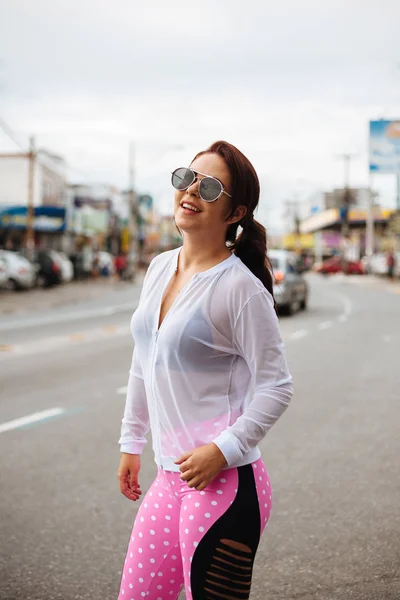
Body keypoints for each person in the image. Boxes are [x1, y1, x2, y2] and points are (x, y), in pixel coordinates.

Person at [117, 141, 294, 600]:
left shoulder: (240, 289)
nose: (191, 191)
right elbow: (144, 360)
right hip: (168, 478)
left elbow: (277, 386)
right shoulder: (159, 268)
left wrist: (223, 448)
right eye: (186, 178)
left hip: (226, 484)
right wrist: (131, 442)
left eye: (209, 186)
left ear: (234, 213)